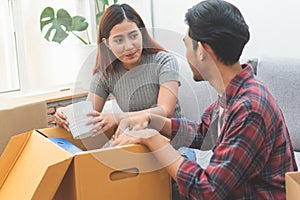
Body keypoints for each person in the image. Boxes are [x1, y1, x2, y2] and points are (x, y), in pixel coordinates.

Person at [113, 0, 298, 199]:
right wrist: (154, 121)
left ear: (201, 50)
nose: (186, 55)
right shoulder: (235, 92)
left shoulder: (249, 107)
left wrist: (152, 138)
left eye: (186, 45)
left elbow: (207, 190)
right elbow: (204, 132)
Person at [55, 4, 182, 136]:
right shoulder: (106, 74)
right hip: (137, 144)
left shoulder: (164, 61)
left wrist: (118, 117)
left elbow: (165, 110)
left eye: (133, 36)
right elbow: (90, 115)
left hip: (175, 144)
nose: (128, 46)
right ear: (107, 44)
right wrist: (65, 114)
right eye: (119, 40)